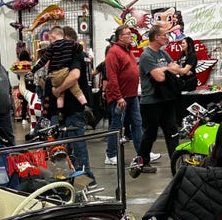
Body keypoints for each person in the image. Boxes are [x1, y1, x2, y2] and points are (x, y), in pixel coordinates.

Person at [132, 23, 192, 176]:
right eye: (164, 35)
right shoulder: (147, 56)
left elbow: (178, 68)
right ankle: (141, 162)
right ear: (156, 37)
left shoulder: (163, 53)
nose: (167, 37)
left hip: (166, 99)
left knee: (172, 132)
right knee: (150, 134)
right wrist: (167, 69)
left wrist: (168, 68)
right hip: (151, 102)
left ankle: (176, 162)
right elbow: (159, 77)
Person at [50, 46, 98, 185]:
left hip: (74, 111)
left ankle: (88, 181)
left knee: (78, 149)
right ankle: (71, 182)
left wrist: (58, 89)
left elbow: (74, 76)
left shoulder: (74, 55)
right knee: (65, 151)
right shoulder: (66, 56)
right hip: (64, 113)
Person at [31, 25, 93, 121]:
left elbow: (74, 75)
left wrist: (58, 90)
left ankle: (81, 107)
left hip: (72, 109)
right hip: (69, 108)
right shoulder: (80, 53)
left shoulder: (74, 53)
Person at [103, 26, 144, 166]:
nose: (131, 36)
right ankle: (111, 154)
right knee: (117, 125)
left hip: (132, 96)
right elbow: (112, 77)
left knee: (137, 124)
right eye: (128, 34)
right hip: (120, 98)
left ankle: (142, 153)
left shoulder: (128, 51)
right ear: (120, 37)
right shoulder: (113, 53)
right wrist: (118, 97)